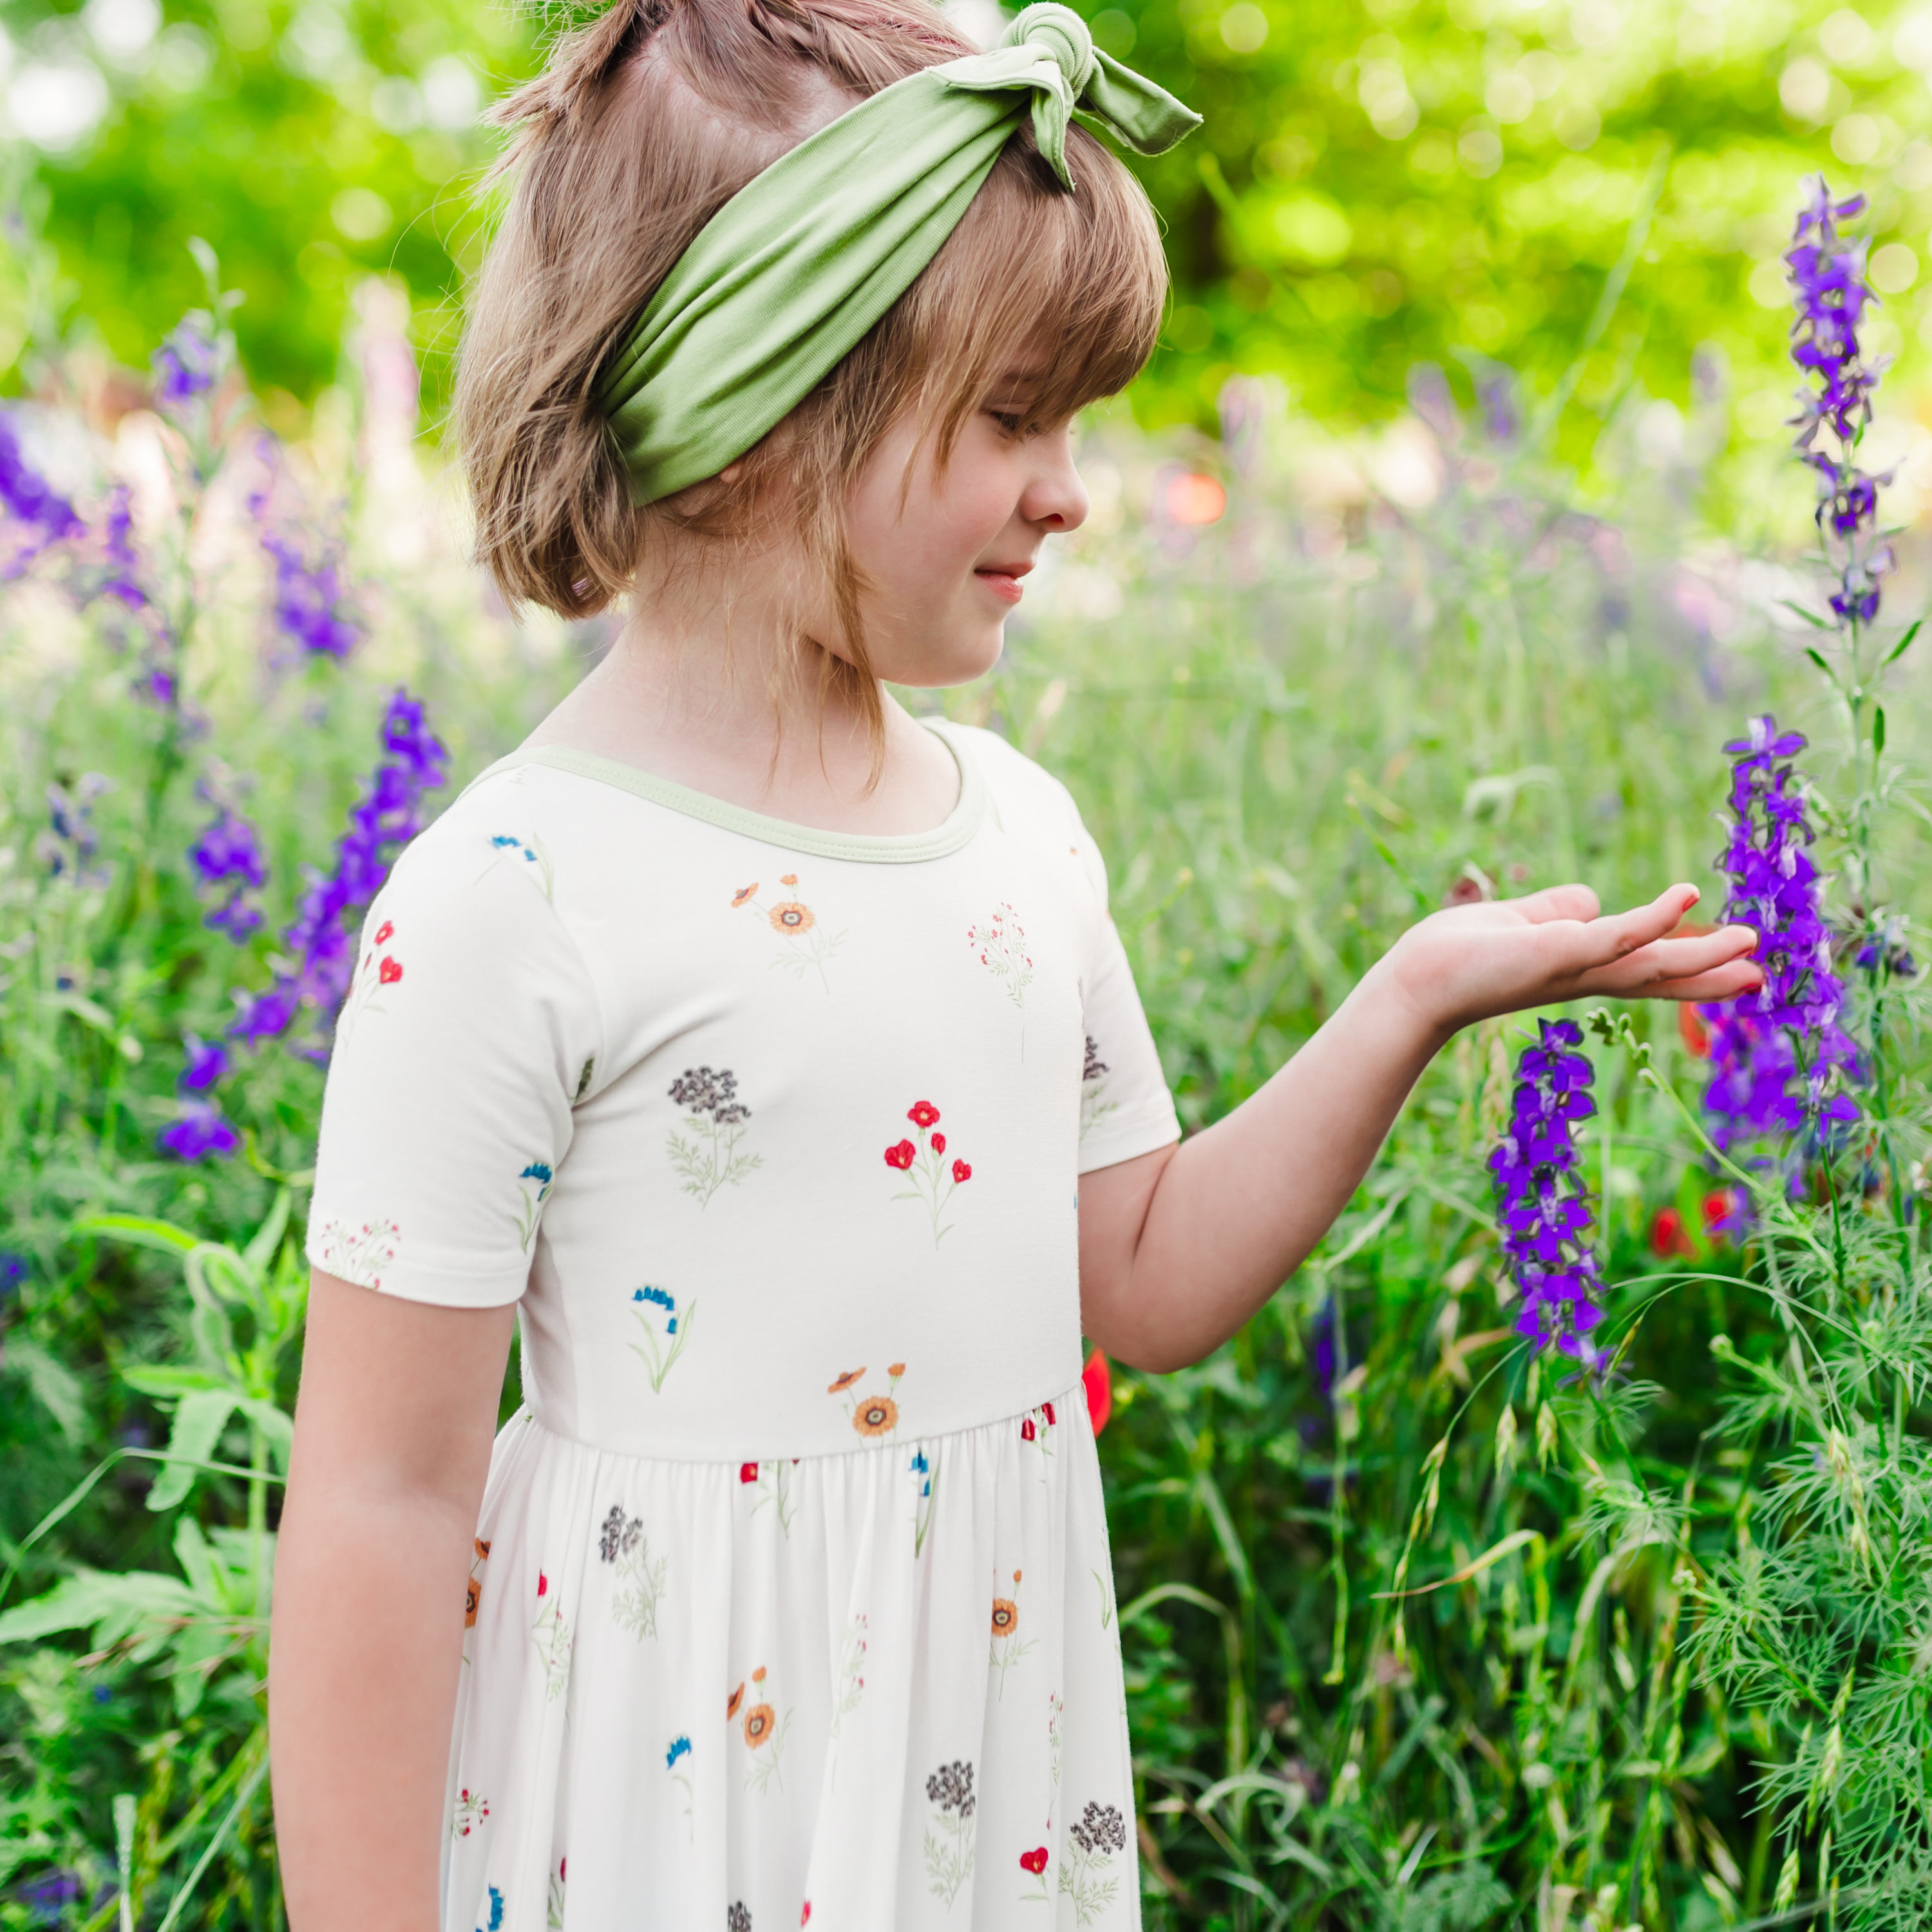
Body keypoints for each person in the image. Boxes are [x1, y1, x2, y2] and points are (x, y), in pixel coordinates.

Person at [265, 0, 1761, 1924]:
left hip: (981, 1801)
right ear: (761, 404)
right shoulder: (516, 895)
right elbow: (381, 1507)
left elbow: (1135, 1283)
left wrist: (1409, 999)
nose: (1071, 487)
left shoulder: (1020, 840)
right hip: (664, 1811)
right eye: (1010, 416)